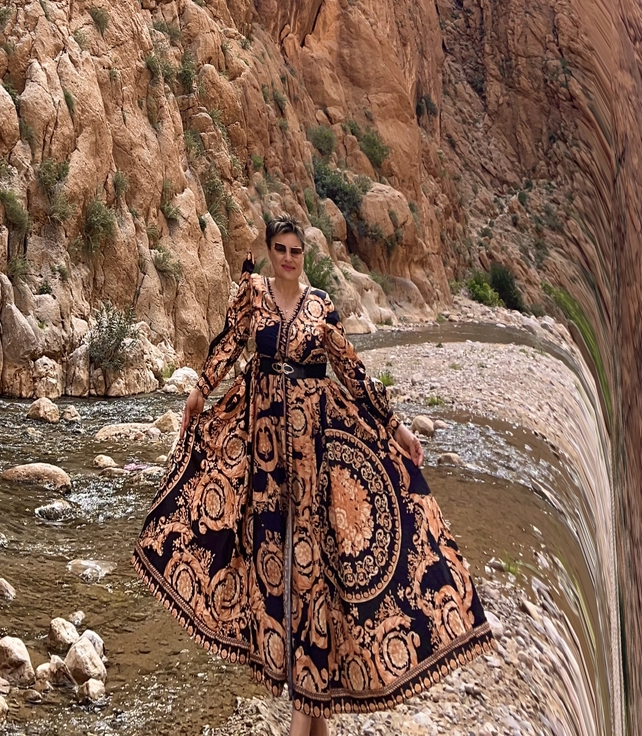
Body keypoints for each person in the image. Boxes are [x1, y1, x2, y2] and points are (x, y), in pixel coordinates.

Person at [133, 215, 493, 734]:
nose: (286, 257)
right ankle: (311, 705)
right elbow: (230, 345)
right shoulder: (252, 296)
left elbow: (352, 372)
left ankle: (303, 714)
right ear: (268, 250)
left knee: (312, 571)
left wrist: (396, 429)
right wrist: (198, 390)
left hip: (310, 460)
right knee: (270, 570)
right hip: (262, 456)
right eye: (279, 249)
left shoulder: (321, 305)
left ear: (305, 254)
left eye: (295, 250)